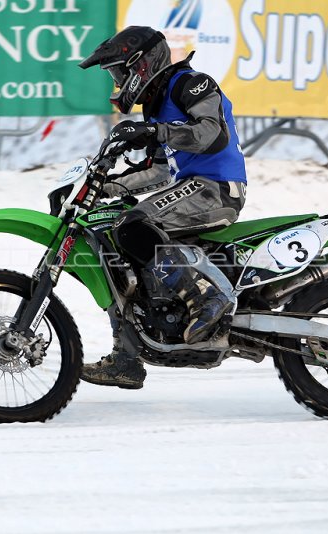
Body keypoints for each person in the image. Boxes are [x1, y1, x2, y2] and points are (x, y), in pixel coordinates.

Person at [78, 26, 247, 389]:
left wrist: (157, 133)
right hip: (191, 188)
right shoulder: (155, 107)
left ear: (140, 65)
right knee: (112, 245)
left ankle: (208, 299)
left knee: (131, 226)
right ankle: (127, 359)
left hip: (217, 189)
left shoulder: (191, 84)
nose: (117, 81)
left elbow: (212, 133)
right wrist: (103, 187)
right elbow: (156, 171)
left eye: (118, 72)